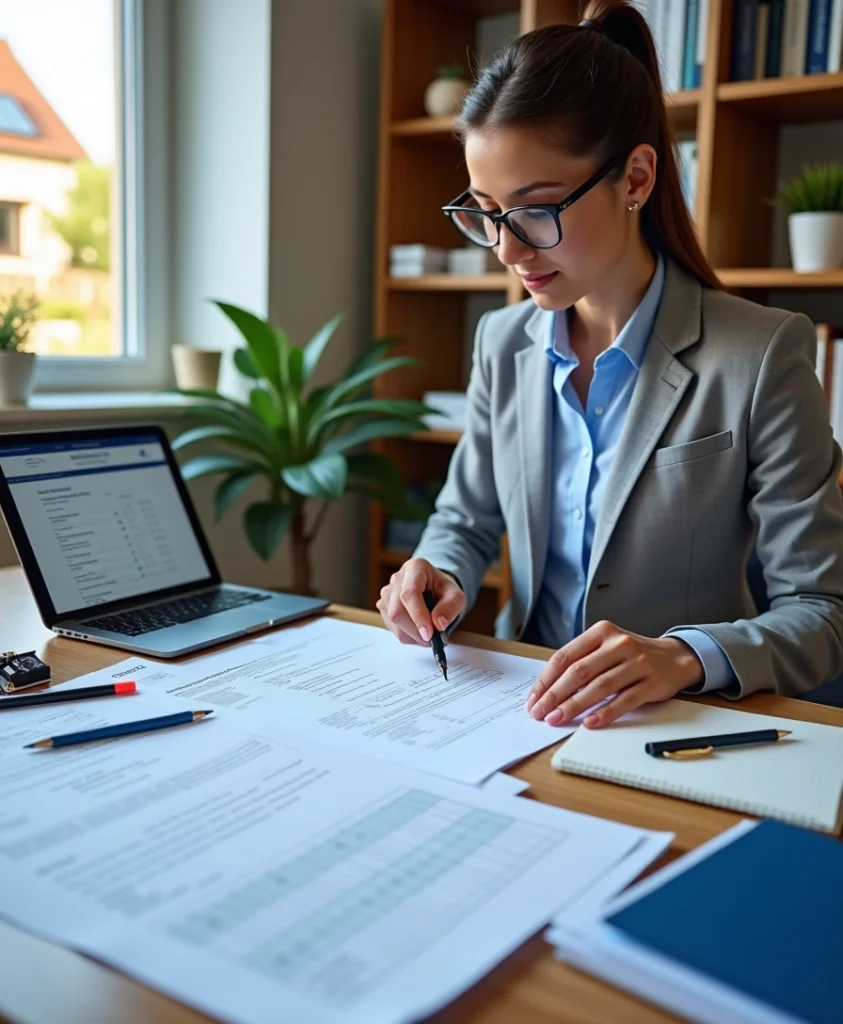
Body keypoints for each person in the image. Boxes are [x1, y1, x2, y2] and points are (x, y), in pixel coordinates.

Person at [376, 0, 843, 729]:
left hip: (676, 727)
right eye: (486, 212)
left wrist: (683, 655)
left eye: (536, 210)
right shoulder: (503, 343)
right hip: (514, 712)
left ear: (635, 178)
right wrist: (435, 570)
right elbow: (463, 520)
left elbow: (823, 613)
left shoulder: (762, 353)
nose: (506, 251)